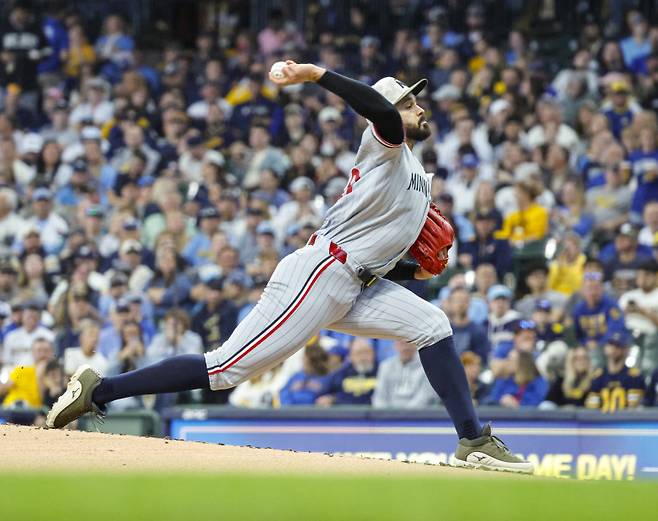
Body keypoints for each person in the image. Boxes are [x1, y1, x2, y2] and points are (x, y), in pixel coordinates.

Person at [47, 61, 532, 473]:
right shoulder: (385, 144)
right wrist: (314, 74)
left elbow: (374, 252)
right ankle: (100, 388)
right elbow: (380, 110)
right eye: (409, 104)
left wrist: (412, 273)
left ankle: (474, 441)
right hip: (321, 273)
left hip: (356, 281)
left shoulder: (411, 175)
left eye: (414, 103)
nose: (419, 108)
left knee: (432, 323)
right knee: (225, 369)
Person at [585, 333, 645, 412]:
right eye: (610, 345)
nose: (613, 349)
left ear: (625, 349)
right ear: (605, 348)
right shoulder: (597, 377)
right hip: (601, 422)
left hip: (626, 422)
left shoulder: (635, 377)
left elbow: (636, 409)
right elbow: (591, 410)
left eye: (618, 346)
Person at [372, 341, 438, 408]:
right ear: (395, 345)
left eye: (408, 343)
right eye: (401, 343)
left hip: (419, 415)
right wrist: (385, 414)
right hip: (389, 415)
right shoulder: (385, 366)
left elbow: (425, 396)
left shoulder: (428, 365)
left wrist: (405, 414)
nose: (405, 347)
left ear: (416, 344)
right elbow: (380, 397)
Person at [316, 338, 378, 406]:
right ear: (351, 356)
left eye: (367, 352)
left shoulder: (382, 371)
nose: (363, 357)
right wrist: (330, 399)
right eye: (359, 353)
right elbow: (322, 396)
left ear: (373, 353)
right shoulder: (341, 373)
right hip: (345, 414)